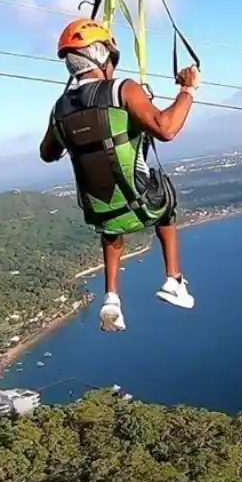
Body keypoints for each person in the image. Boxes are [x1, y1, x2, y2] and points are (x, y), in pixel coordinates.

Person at [39, 18, 200, 332]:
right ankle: (173, 279)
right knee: (165, 202)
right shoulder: (122, 90)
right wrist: (187, 90)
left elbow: (47, 153)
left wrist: (67, 127)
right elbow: (166, 128)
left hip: (100, 209)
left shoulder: (60, 108)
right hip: (142, 201)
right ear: (102, 57)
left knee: (111, 225)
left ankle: (111, 297)